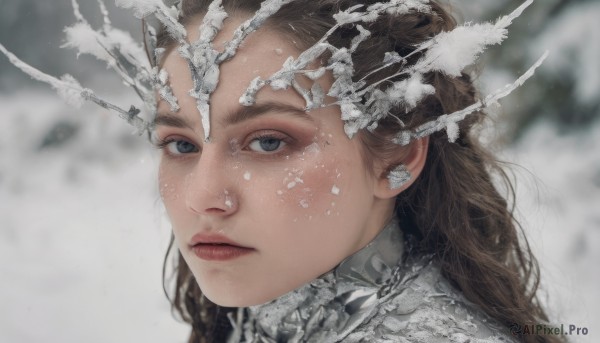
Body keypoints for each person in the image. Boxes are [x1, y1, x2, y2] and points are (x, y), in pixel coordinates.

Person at [0, 0, 562, 342]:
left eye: (268, 141)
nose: (203, 197)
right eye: (180, 143)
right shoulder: (256, 317)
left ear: (397, 153)